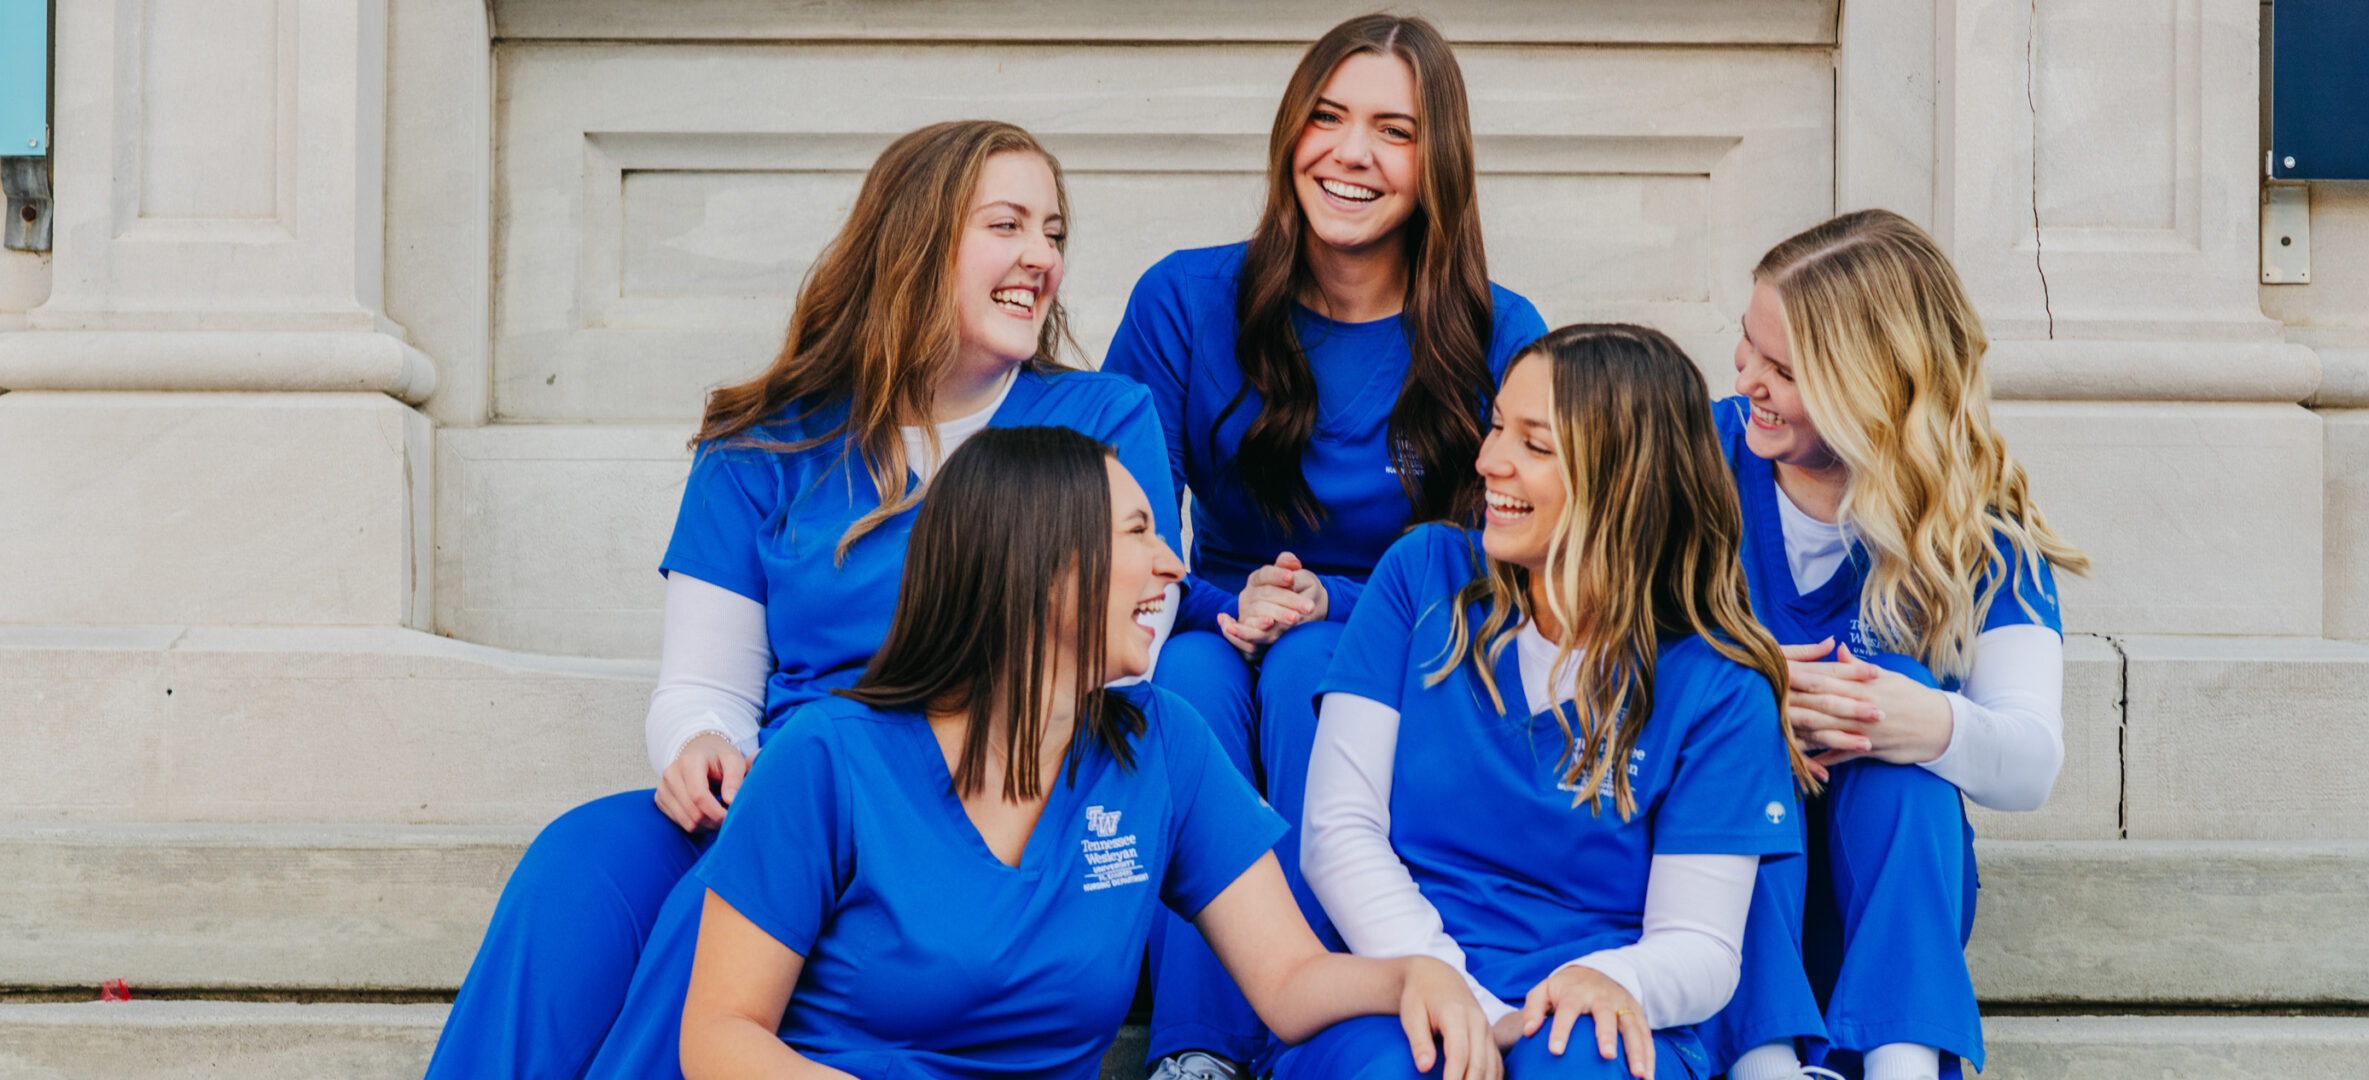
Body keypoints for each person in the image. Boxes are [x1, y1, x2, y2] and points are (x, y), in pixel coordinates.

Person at [422, 120, 1185, 1080]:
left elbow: (1135, 650)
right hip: (788, 784)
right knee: (574, 866)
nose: (1043, 257)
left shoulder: (1101, 423)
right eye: (1009, 226)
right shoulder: (765, 440)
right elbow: (704, 682)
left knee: (714, 918)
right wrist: (700, 744)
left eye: (1056, 232)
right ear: (915, 242)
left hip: (970, 799)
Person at [589, 426, 1493, 1080]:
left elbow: (1290, 980)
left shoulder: (1163, 745)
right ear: (1040, 562)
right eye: (1138, 532)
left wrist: (1416, 972)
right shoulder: (828, 759)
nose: (1175, 565)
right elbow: (718, 1036)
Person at [1103, 15, 1545, 1075]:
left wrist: (1327, 611)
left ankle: (1312, 1026)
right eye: (1327, 117)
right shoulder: (1183, 299)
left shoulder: (1498, 330)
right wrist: (1224, 606)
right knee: (1188, 682)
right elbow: (1113, 520)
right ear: (1288, 135)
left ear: (1437, 164)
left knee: (1312, 662)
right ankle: (1196, 1052)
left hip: (1410, 638)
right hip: (1204, 611)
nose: (1350, 153)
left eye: (1392, 130)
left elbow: (1522, 550)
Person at [1283, 324, 1815, 1080]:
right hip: (1404, 973)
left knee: (1573, 1063)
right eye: (1499, 426)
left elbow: (1700, 945)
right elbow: (1338, 834)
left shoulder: (1717, 688)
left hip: (1592, 1004)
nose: (1489, 460)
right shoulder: (1421, 578)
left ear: (1623, 481)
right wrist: (1457, 994)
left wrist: (1612, 983)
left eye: (1535, 446)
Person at [1708, 209, 2089, 1080]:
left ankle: (1901, 1064)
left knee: (1902, 716)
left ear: (1875, 390)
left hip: (1877, 906)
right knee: (1740, 716)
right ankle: (1763, 1069)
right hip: (1717, 891)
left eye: (1785, 371)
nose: (1747, 380)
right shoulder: (1695, 463)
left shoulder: (1974, 529)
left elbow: (2031, 762)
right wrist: (1751, 696)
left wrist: (1925, 722)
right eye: (1747, 346)